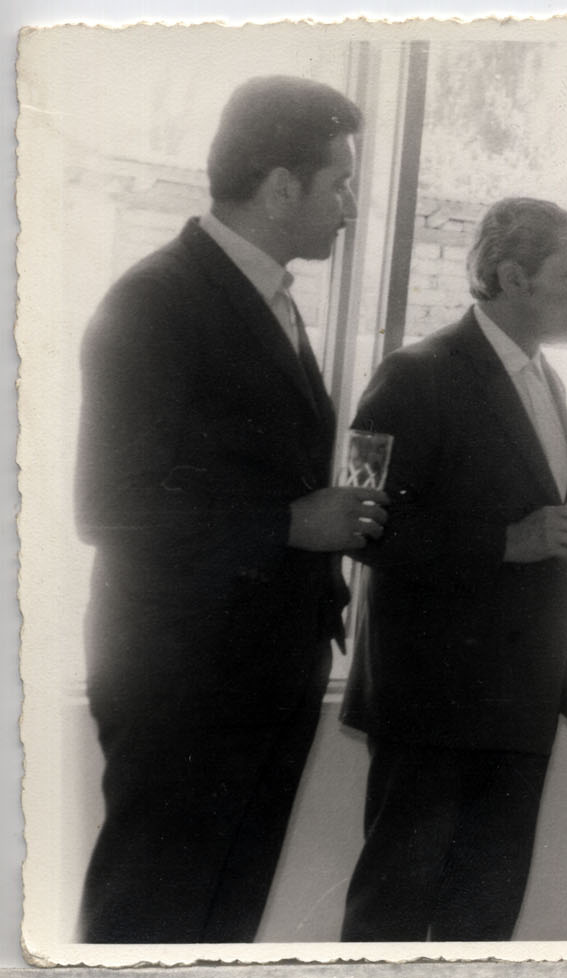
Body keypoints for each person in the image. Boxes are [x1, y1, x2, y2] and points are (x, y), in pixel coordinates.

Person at [74, 75, 387, 943]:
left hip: (258, 676)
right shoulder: (154, 301)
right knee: (148, 927)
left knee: (220, 930)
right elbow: (109, 507)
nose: (350, 208)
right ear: (281, 187)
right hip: (182, 687)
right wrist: (292, 524)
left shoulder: (264, 297)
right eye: (340, 184)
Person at [338, 197, 567, 941]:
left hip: (520, 705)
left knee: (483, 925)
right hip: (433, 708)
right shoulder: (411, 374)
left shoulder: (547, 381)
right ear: (513, 277)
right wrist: (506, 541)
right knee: (390, 923)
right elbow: (360, 525)